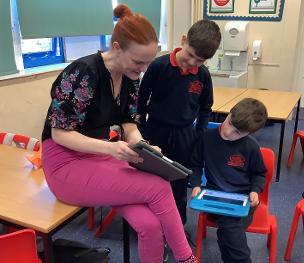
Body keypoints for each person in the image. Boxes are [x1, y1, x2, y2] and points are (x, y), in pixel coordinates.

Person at [41, 4, 198, 263]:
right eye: (138, 62)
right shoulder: (83, 73)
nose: (143, 69)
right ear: (116, 47)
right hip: (65, 164)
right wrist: (112, 149)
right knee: (159, 188)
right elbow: (60, 134)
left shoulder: (130, 76)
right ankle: (187, 259)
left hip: (99, 159)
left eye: (147, 62)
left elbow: (129, 123)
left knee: (149, 225)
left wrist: (142, 146)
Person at [138, 19, 221, 225]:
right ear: (184, 41)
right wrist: (140, 133)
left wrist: (199, 135)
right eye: (190, 55)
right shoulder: (158, 66)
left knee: (178, 183)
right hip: (155, 132)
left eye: (200, 60)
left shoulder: (203, 75)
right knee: (150, 179)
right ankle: (149, 226)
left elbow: (205, 108)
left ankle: (176, 227)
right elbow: (140, 101)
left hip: (185, 135)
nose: (192, 63)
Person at [190, 98, 268, 263]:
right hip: (214, 195)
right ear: (229, 113)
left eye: (237, 132)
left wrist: (255, 191)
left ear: (249, 134)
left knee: (229, 227)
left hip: (243, 199)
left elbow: (259, 173)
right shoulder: (206, 137)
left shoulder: (251, 146)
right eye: (229, 122)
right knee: (229, 225)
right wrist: (196, 184)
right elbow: (195, 163)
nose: (228, 132)